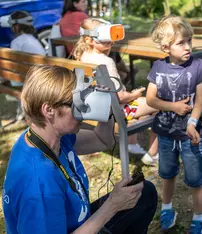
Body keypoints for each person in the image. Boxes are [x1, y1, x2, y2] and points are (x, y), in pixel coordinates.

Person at [2, 65, 158, 234]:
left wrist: (107, 105)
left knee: (144, 195)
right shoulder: (39, 184)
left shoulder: (48, 136)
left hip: (75, 222)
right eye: (76, 104)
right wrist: (112, 206)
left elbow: (102, 139)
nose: (83, 111)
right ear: (49, 110)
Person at [146, 15, 202, 233]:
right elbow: (150, 100)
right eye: (181, 43)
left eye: (189, 41)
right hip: (165, 133)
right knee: (167, 174)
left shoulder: (199, 66)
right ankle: (167, 209)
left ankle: (199, 218)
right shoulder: (158, 67)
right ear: (166, 47)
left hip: (190, 135)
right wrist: (173, 106)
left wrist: (191, 123)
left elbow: (200, 102)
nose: (187, 47)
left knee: (195, 179)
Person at [73, 18, 159, 165]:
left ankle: (132, 144)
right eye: (105, 40)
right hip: (113, 111)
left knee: (140, 104)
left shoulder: (81, 56)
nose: (110, 43)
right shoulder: (106, 62)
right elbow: (120, 97)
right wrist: (134, 94)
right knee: (158, 104)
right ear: (89, 40)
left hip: (91, 107)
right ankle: (153, 154)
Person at [59, 0, 135, 82]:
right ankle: (128, 71)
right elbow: (93, 27)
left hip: (76, 49)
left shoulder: (64, 17)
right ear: (74, 3)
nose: (86, 3)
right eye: (83, 1)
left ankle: (126, 73)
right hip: (88, 46)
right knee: (114, 52)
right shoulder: (81, 15)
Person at [9, 10, 46, 121]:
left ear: (16, 26)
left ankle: (22, 110)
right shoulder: (33, 39)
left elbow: (14, 66)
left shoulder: (17, 42)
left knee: (14, 76)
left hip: (29, 80)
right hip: (39, 76)